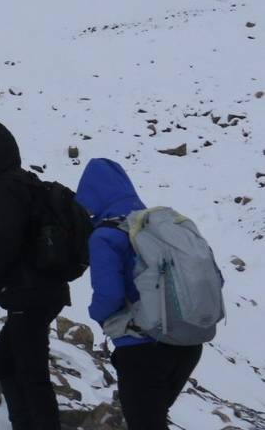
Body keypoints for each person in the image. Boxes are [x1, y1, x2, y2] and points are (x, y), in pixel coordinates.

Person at [75, 158, 204, 430]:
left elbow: (108, 296)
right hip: (188, 343)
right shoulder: (161, 225)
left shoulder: (105, 236)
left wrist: (96, 316)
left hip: (143, 349)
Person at [0, 120, 70, 430]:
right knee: (3, 361)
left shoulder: (5, 188)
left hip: (28, 294)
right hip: (48, 290)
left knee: (33, 375)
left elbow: (4, 241)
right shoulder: (28, 182)